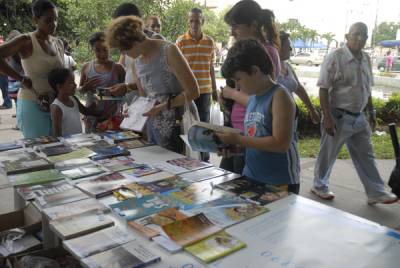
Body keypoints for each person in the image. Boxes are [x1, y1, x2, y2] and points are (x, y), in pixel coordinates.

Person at [311, 22, 398, 205]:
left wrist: (371, 112)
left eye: (364, 35)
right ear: (347, 36)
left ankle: (376, 191)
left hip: (359, 117)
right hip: (337, 116)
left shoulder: (365, 58)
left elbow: (367, 88)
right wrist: (327, 118)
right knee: (328, 154)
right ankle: (319, 185)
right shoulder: (335, 57)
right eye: (356, 34)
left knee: (366, 154)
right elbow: (323, 89)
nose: (360, 38)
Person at [217, 38, 300, 193]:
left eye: (239, 79)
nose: (238, 86)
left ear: (255, 71)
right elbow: (257, 139)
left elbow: (281, 144)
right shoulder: (253, 98)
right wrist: (236, 148)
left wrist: (238, 139)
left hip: (279, 182)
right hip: (252, 176)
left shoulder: (279, 96)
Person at [106, 15, 200, 153]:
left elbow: (193, 91)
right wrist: (133, 111)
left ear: (133, 42)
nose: (123, 53)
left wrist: (163, 106)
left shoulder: (169, 51)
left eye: (123, 48)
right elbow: (146, 99)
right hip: (155, 123)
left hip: (179, 121)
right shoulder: (136, 63)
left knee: (180, 165)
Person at [219, 0, 281, 173]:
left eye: (236, 26)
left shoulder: (266, 53)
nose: (232, 32)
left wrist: (231, 94)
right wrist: (226, 98)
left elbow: (265, 101)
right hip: (238, 129)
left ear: (253, 25)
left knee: (244, 186)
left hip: (253, 133)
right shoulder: (241, 51)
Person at [0, 0, 64, 138]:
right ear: (35, 19)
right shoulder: (26, 41)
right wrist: (20, 78)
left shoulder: (58, 43)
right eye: (48, 20)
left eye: (56, 20)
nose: (54, 24)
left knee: (59, 151)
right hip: (32, 104)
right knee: (39, 152)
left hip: (55, 105)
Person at [176, 7, 217, 161]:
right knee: (189, 125)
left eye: (197, 20)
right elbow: (177, 68)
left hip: (205, 90)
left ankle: (204, 158)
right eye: (191, 20)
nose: (194, 24)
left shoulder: (209, 42)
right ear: (188, 21)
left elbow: (211, 66)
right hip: (188, 91)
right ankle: (190, 157)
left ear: (203, 21)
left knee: (204, 126)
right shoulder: (181, 41)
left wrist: (214, 90)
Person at [111, 3, 164, 98]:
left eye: (120, 26)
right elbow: (122, 67)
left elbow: (156, 79)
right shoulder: (127, 42)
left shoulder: (156, 40)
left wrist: (128, 87)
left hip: (155, 103)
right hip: (136, 103)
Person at [79, 31, 125, 132]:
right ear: (92, 49)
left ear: (110, 48)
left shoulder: (118, 68)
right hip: (91, 117)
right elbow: (80, 91)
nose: (102, 54)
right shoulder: (86, 67)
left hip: (111, 119)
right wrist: (84, 88)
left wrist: (111, 111)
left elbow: (124, 94)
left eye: (105, 49)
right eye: (98, 50)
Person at [277, 31, 320, 124]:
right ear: (278, 47)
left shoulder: (288, 66)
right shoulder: (270, 69)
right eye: (288, 45)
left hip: (291, 118)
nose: (290, 48)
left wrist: (312, 109)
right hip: (276, 118)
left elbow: (299, 89)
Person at [48, 68, 100, 137]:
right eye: (71, 82)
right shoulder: (56, 107)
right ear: (59, 86)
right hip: (67, 145)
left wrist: (96, 100)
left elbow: (86, 111)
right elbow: (57, 135)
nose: (75, 85)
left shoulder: (73, 99)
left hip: (77, 141)